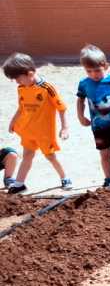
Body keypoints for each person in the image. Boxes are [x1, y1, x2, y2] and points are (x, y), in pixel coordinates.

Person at [2, 53, 71, 194]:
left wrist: (65, 127)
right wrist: (13, 121)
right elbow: (21, 107)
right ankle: (20, 183)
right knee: (27, 155)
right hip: (28, 130)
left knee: (50, 156)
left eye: (18, 78)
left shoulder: (47, 88)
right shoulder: (21, 88)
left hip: (44, 132)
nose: (16, 82)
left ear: (30, 73)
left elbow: (61, 108)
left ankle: (65, 177)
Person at [76, 44, 110, 187]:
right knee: (105, 154)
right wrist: (81, 117)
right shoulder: (84, 84)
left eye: (97, 70)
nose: (94, 74)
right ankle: (109, 179)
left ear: (105, 66)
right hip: (98, 127)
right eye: (89, 71)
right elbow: (80, 100)